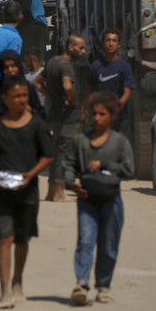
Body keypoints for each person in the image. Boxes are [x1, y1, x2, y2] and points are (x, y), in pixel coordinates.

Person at [0, 76, 55, 308]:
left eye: (25, 95)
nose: (22, 100)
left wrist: (31, 175)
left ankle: (17, 282)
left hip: (28, 193)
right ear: (5, 98)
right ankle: (4, 290)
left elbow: (48, 155)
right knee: (5, 237)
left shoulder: (37, 125)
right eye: (16, 96)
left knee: (22, 239)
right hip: (2, 193)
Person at [67, 91, 135, 306]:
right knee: (85, 241)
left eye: (102, 114)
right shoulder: (81, 141)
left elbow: (129, 170)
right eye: (94, 113)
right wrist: (71, 183)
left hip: (111, 201)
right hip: (86, 200)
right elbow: (68, 165)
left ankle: (104, 287)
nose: (97, 118)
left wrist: (105, 165)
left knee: (108, 245)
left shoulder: (120, 142)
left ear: (112, 116)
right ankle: (82, 284)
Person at [43, 35, 87, 202]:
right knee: (65, 154)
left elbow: (38, 82)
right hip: (68, 117)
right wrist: (73, 100)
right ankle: (60, 193)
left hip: (55, 114)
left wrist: (51, 96)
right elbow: (67, 85)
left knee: (57, 152)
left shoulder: (52, 62)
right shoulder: (66, 65)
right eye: (80, 48)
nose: (83, 51)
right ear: (70, 47)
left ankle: (51, 192)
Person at [86, 28, 134, 126]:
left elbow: (127, 92)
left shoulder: (124, 67)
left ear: (119, 44)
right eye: (108, 40)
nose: (111, 44)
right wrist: (85, 111)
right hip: (99, 119)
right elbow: (88, 91)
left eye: (114, 41)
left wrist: (115, 108)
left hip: (118, 119)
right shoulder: (95, 66)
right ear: (103, 43)